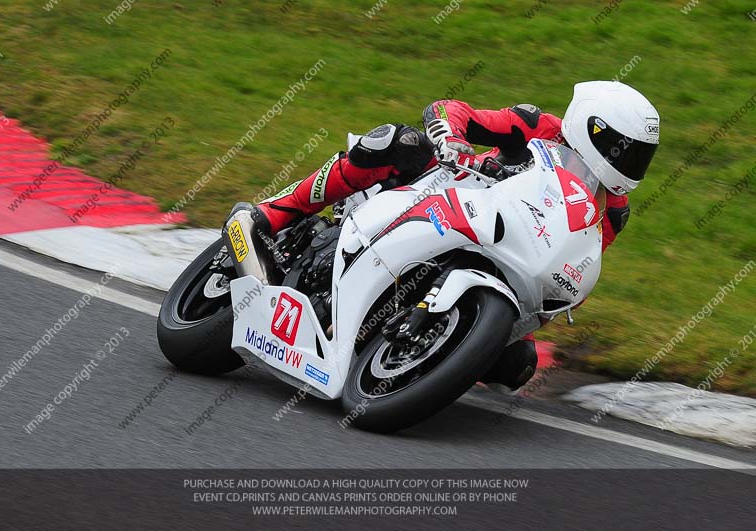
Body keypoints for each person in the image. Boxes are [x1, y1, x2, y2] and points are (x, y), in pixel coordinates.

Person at [233, 81, 660, 390]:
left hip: (506, 258)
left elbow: (575, 259)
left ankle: (420, 357)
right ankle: (270, 216)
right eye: (627, 149)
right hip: (444, 194)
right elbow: (451, 109)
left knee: (517, 365)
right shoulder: (535, 126)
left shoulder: (612, 210)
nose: (632, 164)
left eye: (642, 156)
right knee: (398, 142)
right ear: (593, 129)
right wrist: (450, 139)